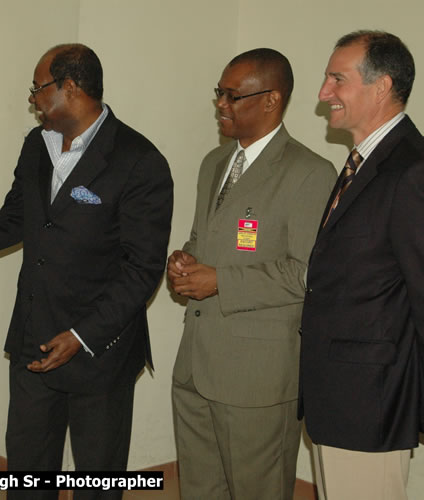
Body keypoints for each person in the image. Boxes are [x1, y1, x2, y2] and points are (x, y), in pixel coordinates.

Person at [0, 44, 173, 500]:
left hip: (99, 350)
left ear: (70, 87)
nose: (33, 99)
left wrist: (81, 335)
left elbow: (142, 269)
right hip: (34, 342)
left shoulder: (139, 161)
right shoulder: (35, 145)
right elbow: (14, 219)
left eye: (39, 88)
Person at [168, 49, 336, 500]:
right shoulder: (213, 164)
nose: (221, 104)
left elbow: (306, 273)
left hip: (256, 379)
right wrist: (184, 261)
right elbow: (203, 240)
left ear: (270, 100)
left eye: (232, 95)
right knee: (200, 490)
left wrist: (221, 280)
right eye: (218, 94)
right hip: (196, 365)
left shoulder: (310, 173)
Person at [300, 31, 424, 500]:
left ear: (381, 87)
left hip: (371, 403)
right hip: (337, 397)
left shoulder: (411, 169)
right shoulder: (362, 163)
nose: (323, 93)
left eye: (337, 79)